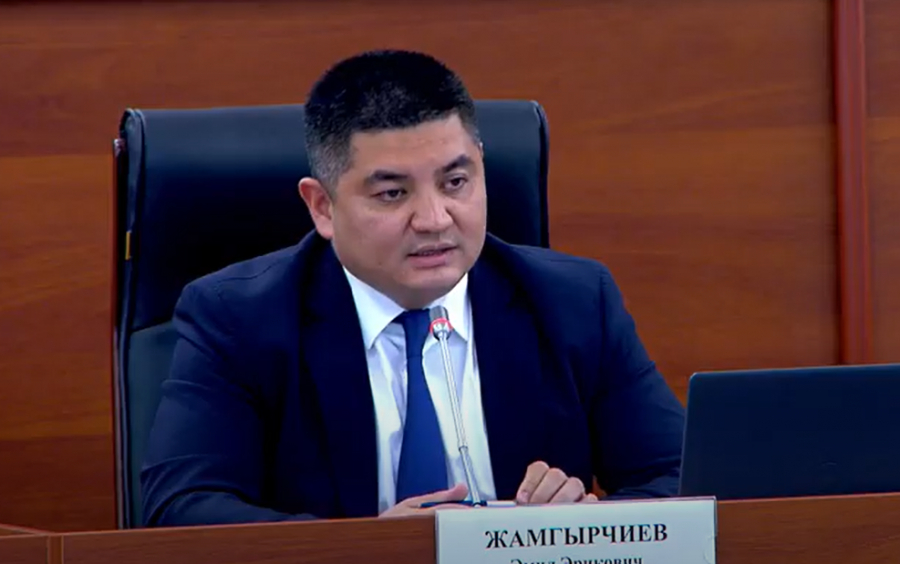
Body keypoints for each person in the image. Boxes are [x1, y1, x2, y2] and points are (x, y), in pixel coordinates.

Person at [140, 49, 686, 527]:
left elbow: (685, 477)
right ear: (322, 207)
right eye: (393, 194)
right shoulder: (238, 318)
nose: (434, 219)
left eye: (456, 182)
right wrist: (372, 549)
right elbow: (181, 509)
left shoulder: (574, 301)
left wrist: (585, 526)